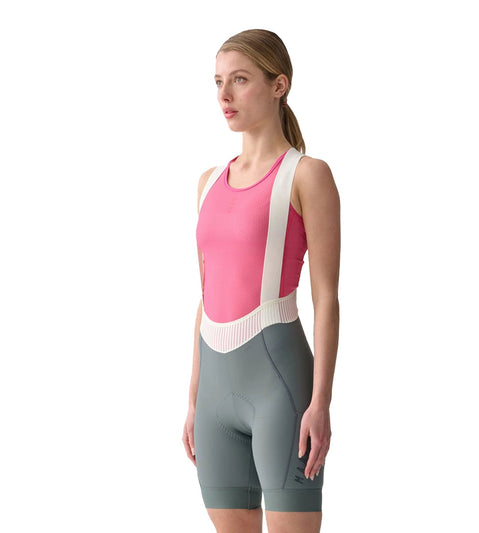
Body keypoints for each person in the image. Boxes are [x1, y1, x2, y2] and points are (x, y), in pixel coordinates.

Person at [182, 29, 340, 533]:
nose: (224, 95)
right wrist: (193, 399)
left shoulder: (307, 175)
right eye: (218, 82)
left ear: (278, 85)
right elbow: (205, 297)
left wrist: (321, 402)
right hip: (214, 398)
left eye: (240, 80)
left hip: (282, 391)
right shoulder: (208, 182)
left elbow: (326, 298)